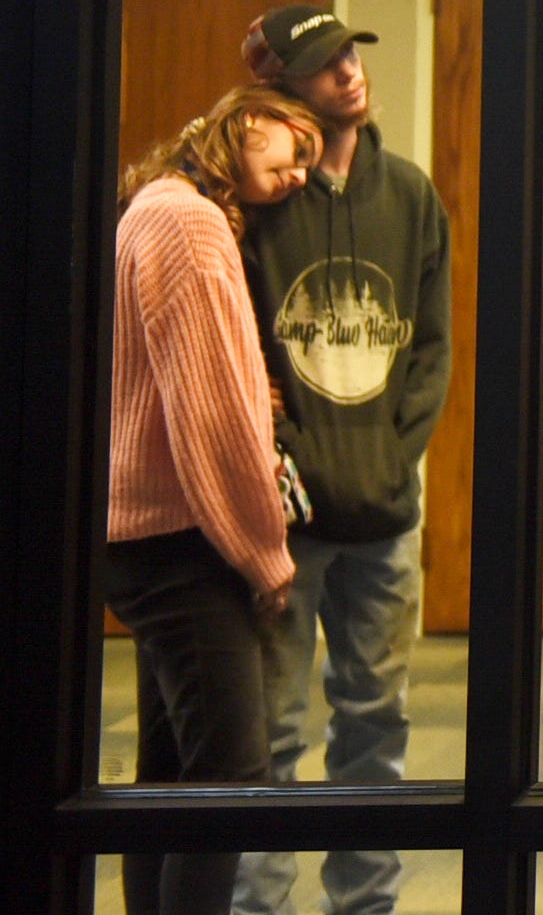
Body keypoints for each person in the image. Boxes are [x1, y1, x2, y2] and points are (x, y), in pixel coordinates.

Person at [232, 8, 453, 915]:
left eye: (351, 55)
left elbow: (431, 349)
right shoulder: (254, 207)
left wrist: (394, 460)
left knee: (377, 726)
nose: (348, 74)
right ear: (285, 88)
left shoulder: (410, 193)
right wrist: (288, 464)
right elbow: (240, 353)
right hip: (285, 521)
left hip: (386, 516)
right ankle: (258, 906)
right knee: (273, 732)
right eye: (324, 65)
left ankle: (366, 904)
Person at [108, 86, 320, 915]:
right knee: (231, 776)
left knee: (168, 779)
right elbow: (209, 414)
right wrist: (263, 551)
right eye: (292, 145)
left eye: (311, 161)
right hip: (181, 540)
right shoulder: (188, 221)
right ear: (246, 118)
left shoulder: (163, 207)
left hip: (153, 533)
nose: (299, 171)